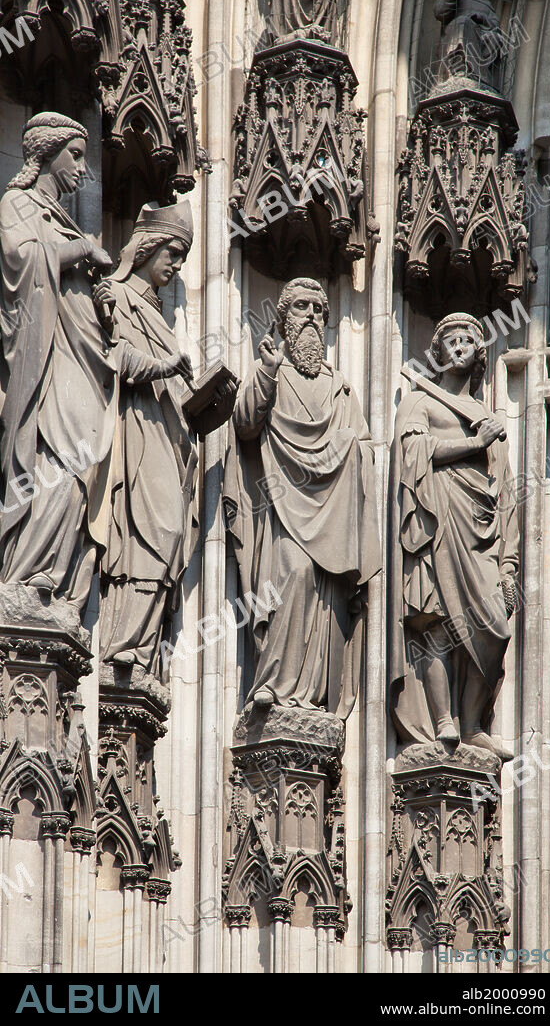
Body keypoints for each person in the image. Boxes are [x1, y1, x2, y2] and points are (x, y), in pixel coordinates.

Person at [223, 277, 380, 719]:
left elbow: (365, 447)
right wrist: (267, 371)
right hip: (285, 512)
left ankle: (311, 698)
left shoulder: (340, 388)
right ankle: (273, 681)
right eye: (300, 308)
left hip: (333, 514)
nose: (311, 315)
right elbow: (245, 422)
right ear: (283, 320)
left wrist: (351, 448)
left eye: (318, 309)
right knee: (294, 572)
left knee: (326, 600)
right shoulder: (273, 374)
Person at [94, 202, 238, 677]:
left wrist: (213, 404)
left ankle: (144, 646)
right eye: (173, 253)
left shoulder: (156, 312)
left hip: (170, 437)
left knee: (172, 536)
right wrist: (167, 366)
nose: (176, 266)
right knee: (154, 532)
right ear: (148, 247)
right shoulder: (116, 294)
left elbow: (179, 399)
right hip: (136, 431)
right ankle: (122, 642)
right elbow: (117, 358)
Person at [0, 112, 118, 607]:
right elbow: (22, 261)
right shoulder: (17, 203)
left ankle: (53, 575)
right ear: (46, 153)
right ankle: (24, 572)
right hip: (44, 354)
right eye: (75, 155)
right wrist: (82, 248)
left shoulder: (64, 220)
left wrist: (104, 298)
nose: (83, 169)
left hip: (80, 355)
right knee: (57, 454)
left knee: (83, 459)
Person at [390, 313, 519, 759]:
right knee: (438, 621)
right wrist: (473, 444)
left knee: (495, 628)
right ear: (439, 352)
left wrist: (508, 563)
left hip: (480, 530)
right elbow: (412, 455)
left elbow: (504, 493)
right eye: (451, 340)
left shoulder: (487, 417)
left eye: (468, 340)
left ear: (480, 355)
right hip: (436, 521)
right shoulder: (419, 402)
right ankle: (443, 720)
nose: (460, 346)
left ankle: (472, 723)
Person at [434, 0, 504, 88]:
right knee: (463, 23)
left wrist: (481, 17)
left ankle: (480, 75)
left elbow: (495, 25)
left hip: (480, 38)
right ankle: (460, 68)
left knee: (495, 38)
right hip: (458, 33)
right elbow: (440, 12)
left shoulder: (485, 2)